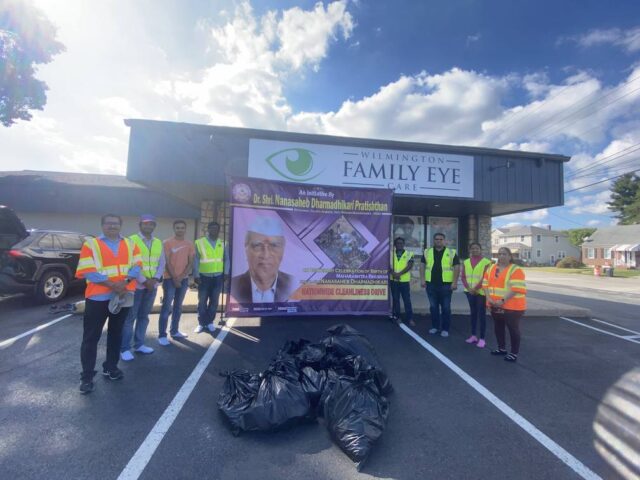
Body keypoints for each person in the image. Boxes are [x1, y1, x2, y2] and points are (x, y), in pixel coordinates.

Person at [75, 214, 142, 394]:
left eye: (115, 223)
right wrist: (113, 284)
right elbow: (87, 270)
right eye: (108, 223)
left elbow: (137, 266)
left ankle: (111, 367)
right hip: (98, 297)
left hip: (122, 296)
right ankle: (87, 377)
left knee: (116, 334)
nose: (112, 226)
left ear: (121, 226)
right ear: (102, 225)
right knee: (91, 338)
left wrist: (125, 282)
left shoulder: (130, 244)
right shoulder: (91, 244)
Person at [120, 214, 166, 361]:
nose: (148, 226)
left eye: (151, 224)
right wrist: (144, 281)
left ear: (154, 226)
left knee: (144, 316)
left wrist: (155, 279)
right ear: (140, 225)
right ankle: (124, 348)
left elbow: (161, 262)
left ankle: (139, 344)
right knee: (130, 317)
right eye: (145, 224)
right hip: (136, 286)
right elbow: (130, 263)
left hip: (152, 285)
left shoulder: (158, 242)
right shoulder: (131, 240)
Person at [230, 216, 295, 303]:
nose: (266, 255)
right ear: (246, 250)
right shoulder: (234, 287)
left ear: (283, 251)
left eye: (274, 246)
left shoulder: (293, 285)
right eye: (257, 245)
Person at [483, 247, 527, 362]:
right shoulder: (491, 268)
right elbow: (485, 284)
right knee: (498, 328)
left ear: (510, 256)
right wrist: (488, 298)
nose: (501, 256)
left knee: (513, 329)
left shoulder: (515, 270)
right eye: (500, 254)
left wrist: (501, 301)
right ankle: (501, 348)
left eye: (504, 254)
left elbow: (516, 289)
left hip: (513, 306)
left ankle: (514, 353)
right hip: (494, 304)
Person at [158, 219, 195, 345]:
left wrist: (182, 277)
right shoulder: (167, 243)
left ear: (185, 229)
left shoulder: (189, 244)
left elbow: (190, 262)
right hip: (169, 279)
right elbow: (167, 262)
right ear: (174, 229)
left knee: (178, 307)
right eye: (178, 227)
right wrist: (175, 278)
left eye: (182, 228)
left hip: (183, 280)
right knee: (166, 307)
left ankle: (174, 331)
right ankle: (162, 335)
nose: (180, 229)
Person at [420, 232, 460, 337]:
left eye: (441, 239)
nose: (439, 241)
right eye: (437, 239)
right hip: (431, 284)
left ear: (444, 240)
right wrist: (423, 279)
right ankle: (435, 327)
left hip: (446, 285)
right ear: (434, 240)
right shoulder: (427, 252)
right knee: (433, 307)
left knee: (446, 307)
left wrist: (455, 282)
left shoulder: (451, 252)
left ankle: (445, 329)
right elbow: (422, 265)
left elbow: (457, 267)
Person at [193, 221, 228, 333]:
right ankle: (201, 323)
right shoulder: (199, 242)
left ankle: (210, 322)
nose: (214, 230)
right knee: (202, 301)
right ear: (208, 229)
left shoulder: (223, 243)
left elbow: (227, 259)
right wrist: (196, 275)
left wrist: (226, 272)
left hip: (218, 277)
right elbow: (196, 260)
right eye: (212, 228)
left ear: (219, 230)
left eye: (216, 228)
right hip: (204, 277)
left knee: (214, 301)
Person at [461, 242, 491, 348]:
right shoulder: (466, 262)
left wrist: (475, 288)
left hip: (481, 293)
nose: (474, 250)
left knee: (481, 315)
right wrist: (469, 289)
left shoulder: (487, 262)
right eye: (472, 248)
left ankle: (482, 338)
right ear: (470, 250)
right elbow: (463, 276)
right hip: (469, 292)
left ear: (480, 249)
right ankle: (473, 335)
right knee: (473, 314)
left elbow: (485, 278)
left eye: (477, 248)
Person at [389, 237, 415, 326]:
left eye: (401, 243)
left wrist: (399, 274)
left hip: (404, 281)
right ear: (395, 245)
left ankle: (410, 318)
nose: (399, 245)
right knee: (396, 299)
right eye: (398, 243)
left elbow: (410, 265)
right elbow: (387, 265)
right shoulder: (391, 254)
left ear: (404, 244)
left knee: (406, 300)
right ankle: (398, 317)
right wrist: (393, 274)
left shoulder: (409, 254)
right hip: (393, 280)